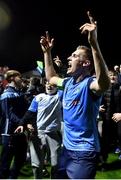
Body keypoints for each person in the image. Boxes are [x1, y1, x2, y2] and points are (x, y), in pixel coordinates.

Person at [40, 11, 110, 179]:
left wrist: (93, 43)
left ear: (85, 63)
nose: (69, 58)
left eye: (74, 56)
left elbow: (103, 83)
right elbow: (50, 77)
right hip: (67, 151)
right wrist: (47, 52)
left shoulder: (89, 84)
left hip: (85, 152)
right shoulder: (68, 83)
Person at [15, 81, 63, 179]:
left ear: (57, 86)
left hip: (53, 134)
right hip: (37, 134)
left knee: (56, 164)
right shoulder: (38, 97)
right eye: (48, 83)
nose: (49, 86)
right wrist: (22, 124)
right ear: (45, 84)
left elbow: (66, 85)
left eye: (53, 84)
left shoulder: (60, 96)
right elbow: (30, 113)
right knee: (36, 165)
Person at [0, 70, 28, 179]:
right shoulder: (6, 94)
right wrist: (22, 123)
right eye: (19, 76)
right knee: (5, 162)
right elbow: (8, 114)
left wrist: (26, 123)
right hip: (9, 131)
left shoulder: (20, 93)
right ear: (12, 78)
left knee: (20, 159)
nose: (21, 78)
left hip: (20, 131)